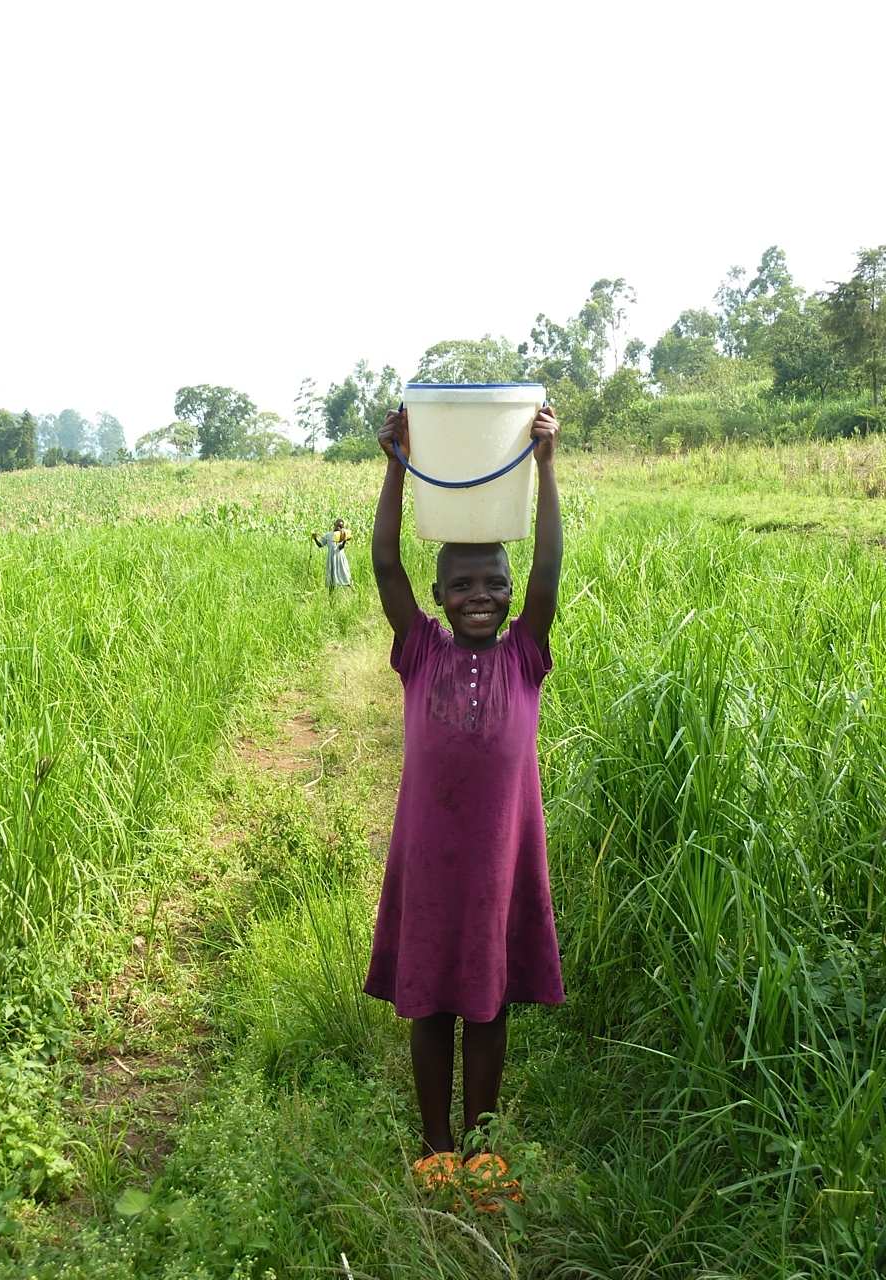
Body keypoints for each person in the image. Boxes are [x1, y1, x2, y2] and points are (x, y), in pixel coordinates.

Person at [365, 402, 565, 1199]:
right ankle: (435, 1147)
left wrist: (547, 468)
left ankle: (482, 1151)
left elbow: (549, 567)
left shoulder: (525, 654)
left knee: (487, 1008)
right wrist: (394, 463)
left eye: (494, 584)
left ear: (513, 596)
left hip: (499, 868)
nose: (479, 595)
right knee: (430, 1008)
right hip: (430, 865)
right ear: (440, 595)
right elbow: (384, 565)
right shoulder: (419, 652)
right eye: (461, 585)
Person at [312, 519, 352, 590]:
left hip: (340, 558)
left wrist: (344, 540)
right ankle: (331, 598)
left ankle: (353, 591)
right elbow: (320, 545)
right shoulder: (328, 535)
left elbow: (340, 547)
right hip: (331, 558)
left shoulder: (342, 535)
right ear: (334, 525)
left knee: (345, 574)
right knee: (331, 578)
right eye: (338, 526)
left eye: (341, 527)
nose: (339, 528)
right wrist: (315, 538)